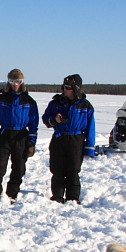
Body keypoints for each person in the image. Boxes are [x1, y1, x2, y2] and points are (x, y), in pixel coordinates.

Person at [0, 68, 39, 203]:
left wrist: (31, 142)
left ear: (22, 82)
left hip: (21, 136)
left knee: (19, 168)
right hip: (4, 135)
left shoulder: (29, 101)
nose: (15, 84)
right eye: (12, 81)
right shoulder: (1, 99)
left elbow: (33, 123)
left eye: (18, 81)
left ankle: (12, 194)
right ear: (8, 81)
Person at [42, 74, 95, 203]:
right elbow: (45, 119)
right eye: (64, 87)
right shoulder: (55, 103)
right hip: (59, 139)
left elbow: (90, 128)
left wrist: (89, 149)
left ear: (76, 89)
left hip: (76, 140)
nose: (65, 90)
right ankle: (57, 197)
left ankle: (73, 198)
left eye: (69, 88)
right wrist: (55, 120)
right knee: (57, 169)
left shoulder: (85, 105)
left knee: (73, 170)